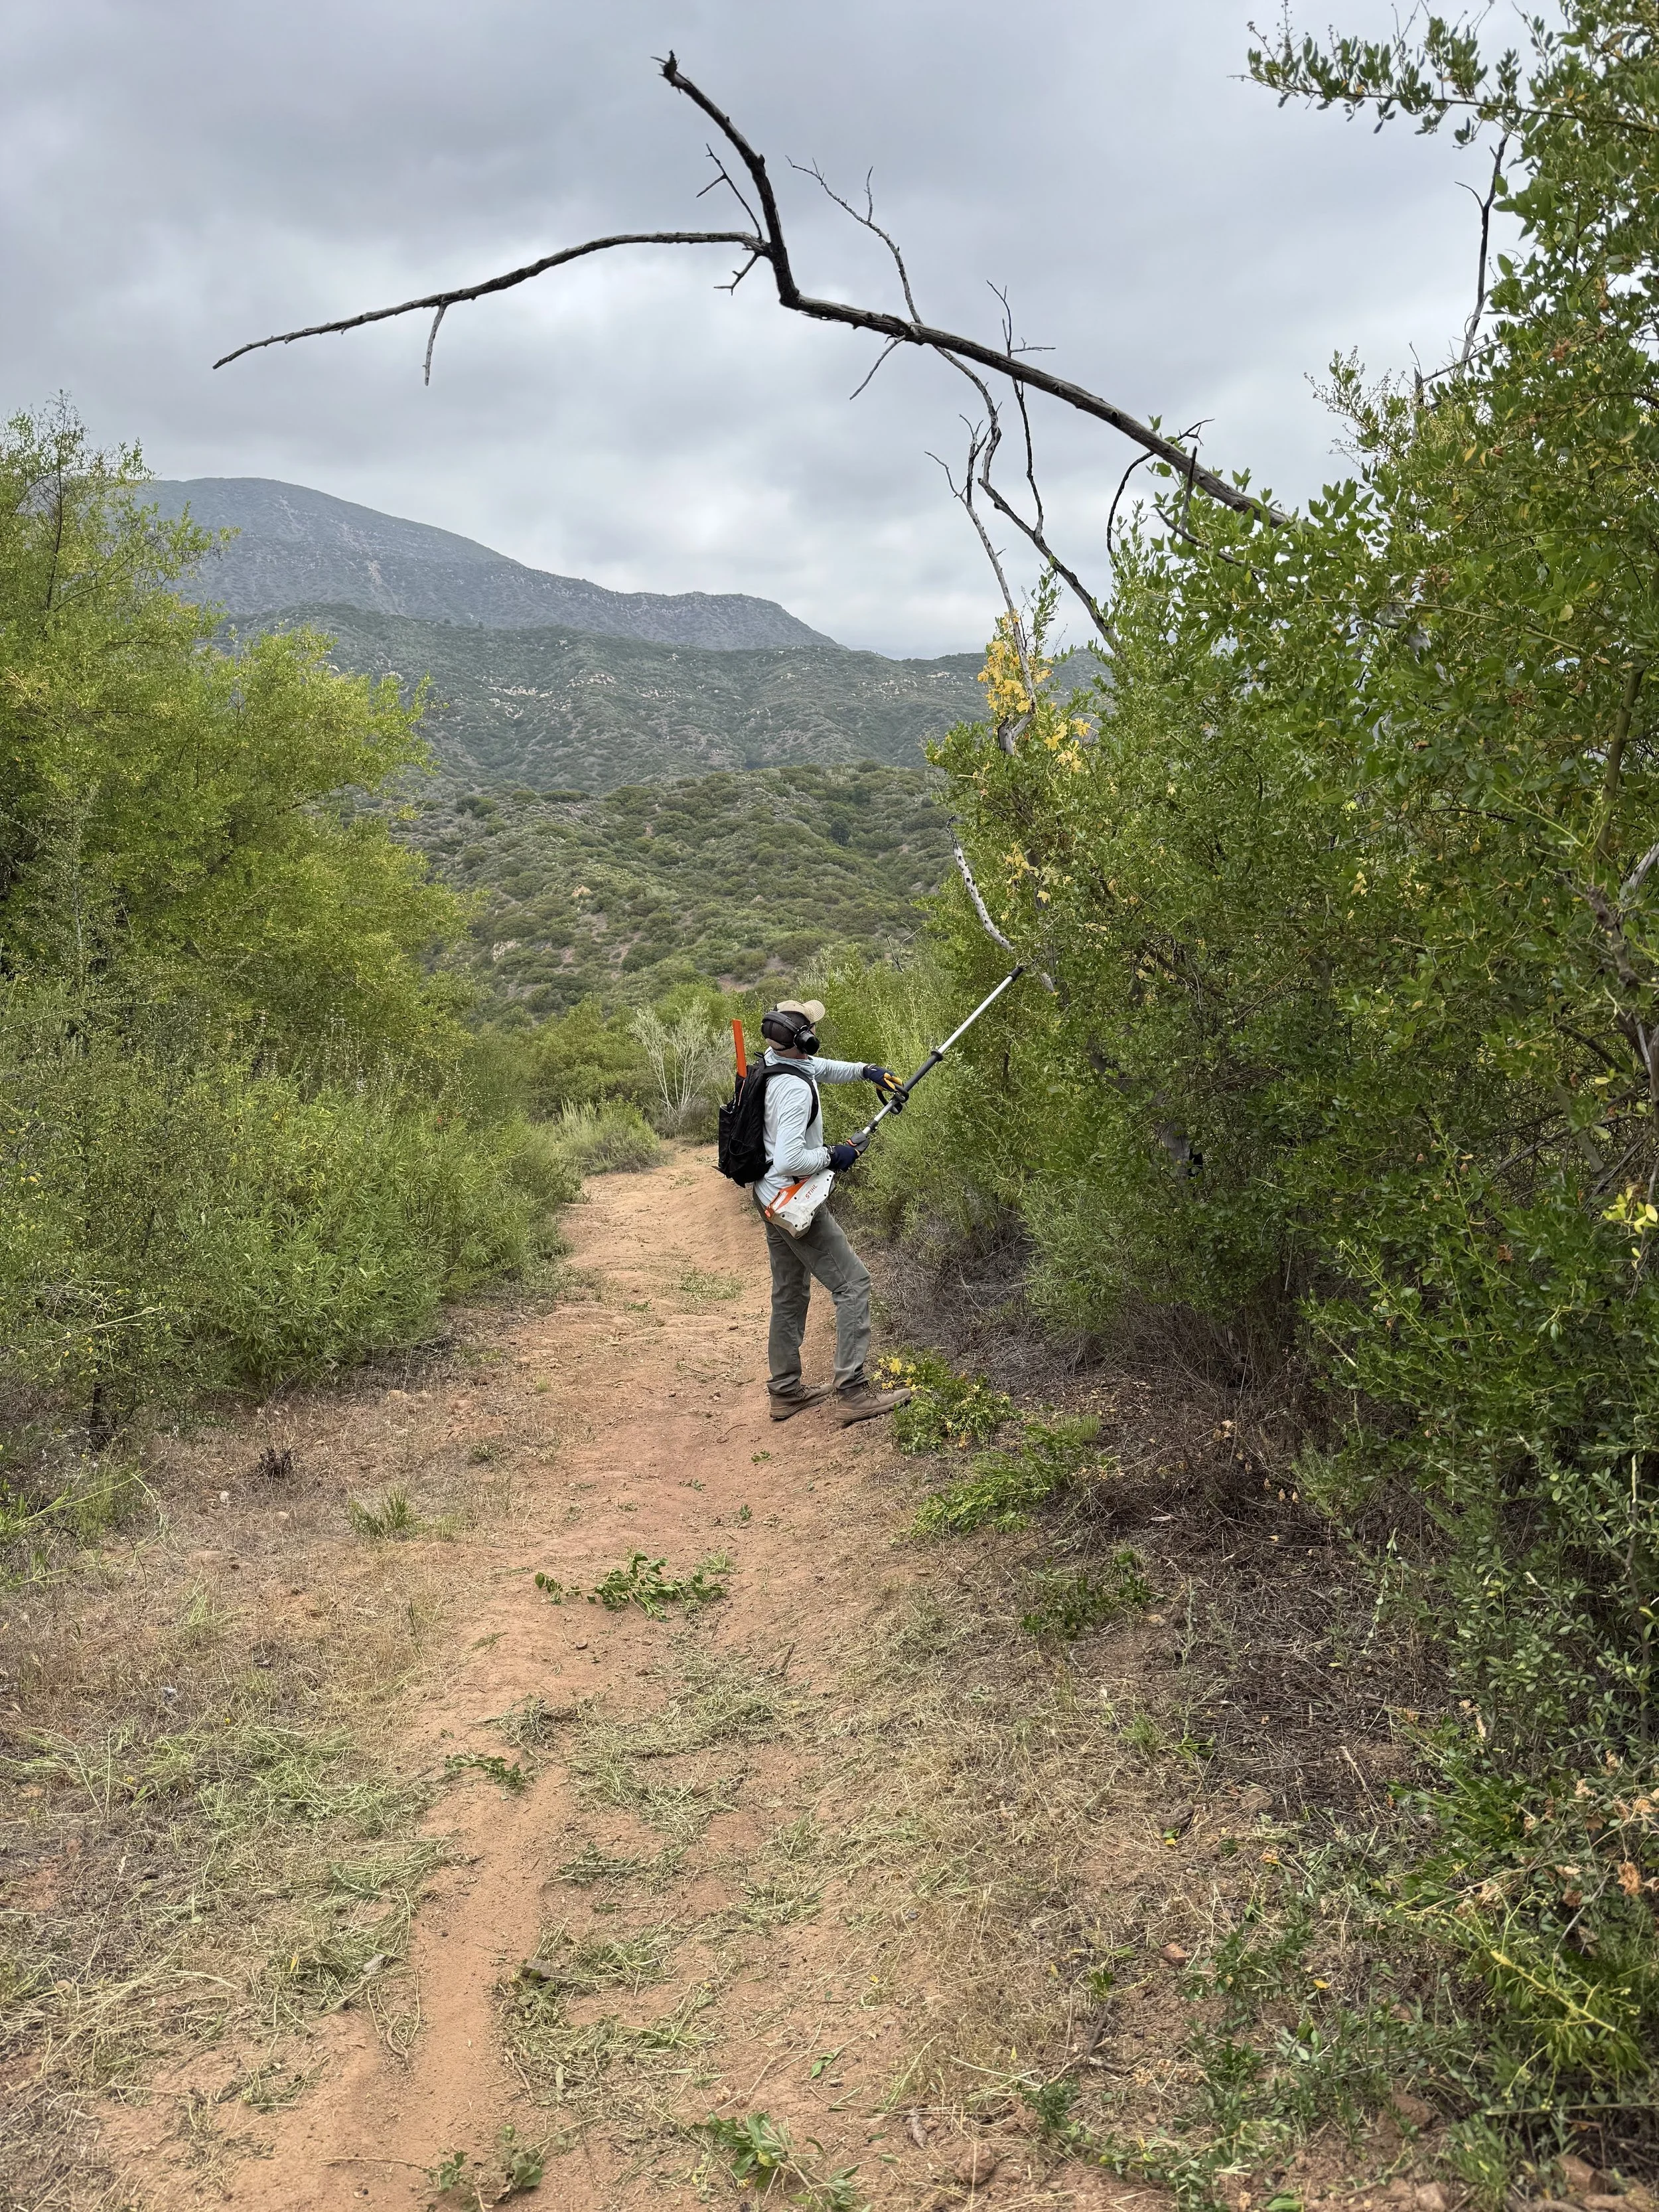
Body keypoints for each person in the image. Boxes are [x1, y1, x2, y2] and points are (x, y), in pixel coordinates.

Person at [753, 999, 914, 1425]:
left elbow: (823, 1068)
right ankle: (852, 1391)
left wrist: (867, 1071)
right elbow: (790, 1159)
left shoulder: (773, 1065)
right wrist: (833, 1154)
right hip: (792, 1200)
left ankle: (786, 1391)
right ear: (802, 1038)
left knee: (790, 1292)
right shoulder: (793, 1089)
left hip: (768, 1195)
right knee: (854, 1283)